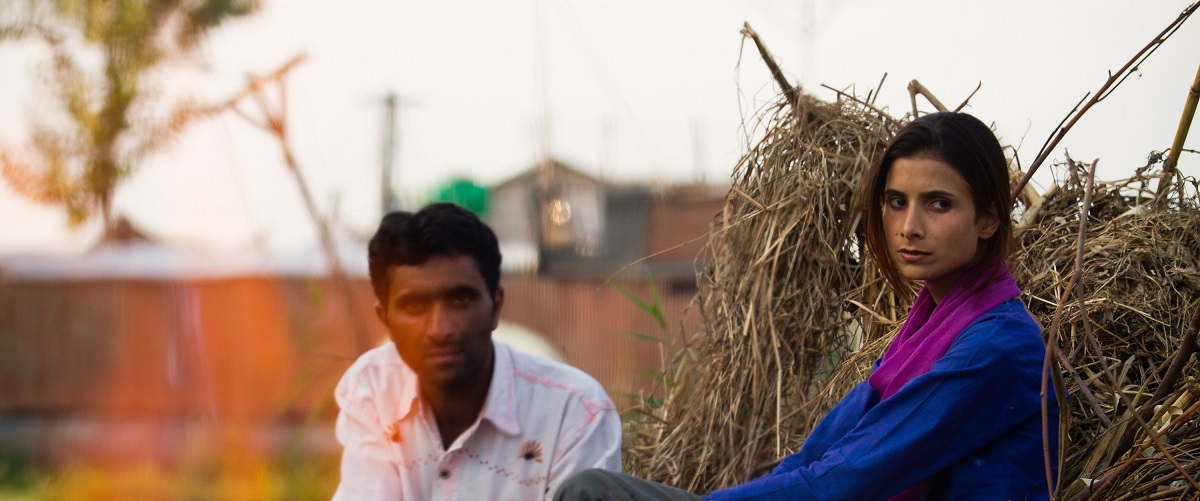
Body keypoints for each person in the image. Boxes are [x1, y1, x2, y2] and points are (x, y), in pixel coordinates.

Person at [554, 111, 1059, 500]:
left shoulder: (998, 346)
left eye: (939, 204)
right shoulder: (924, 331)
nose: (909, 226)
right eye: (896, 201)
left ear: (990, 218)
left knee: (591, 494)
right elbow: (816, 461)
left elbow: (852, 478)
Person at [333, 203, 622, 500]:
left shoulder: (574, 412)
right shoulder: (373, 388)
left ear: (496, 306)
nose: (440, 329)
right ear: (386, 321)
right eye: (415, 306)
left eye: (460, 300)